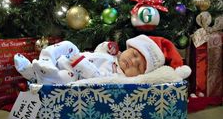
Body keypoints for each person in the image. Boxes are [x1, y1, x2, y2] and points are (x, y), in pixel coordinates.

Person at [14, 34, 188, 84]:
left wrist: (82, 65)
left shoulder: (118, 77)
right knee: (67, 44)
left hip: (73, 72)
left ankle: (36, 75)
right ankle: (45, 60)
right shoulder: (113, 56)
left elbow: (97, 79)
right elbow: (98, 53)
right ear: (129, 48)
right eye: (134, 55)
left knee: (66, 78)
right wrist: (106, 46)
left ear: (139, 75)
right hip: (71, 56)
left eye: (139, 65)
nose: (133, 61)